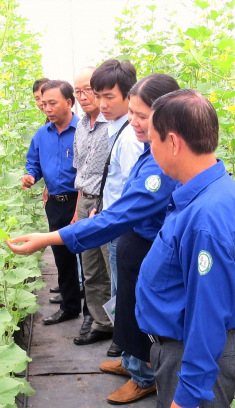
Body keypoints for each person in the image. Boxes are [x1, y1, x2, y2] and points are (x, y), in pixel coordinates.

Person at [7, 74, 180, 408]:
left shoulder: (162, 165)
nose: (132, 121)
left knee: (141, 312)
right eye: (132, 112)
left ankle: (144, 376)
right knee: (126, 305)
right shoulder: (147, 147)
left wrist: (47, 238)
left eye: (141, 115)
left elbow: (123, 214)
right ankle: (133, 361)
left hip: (146, 243)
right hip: (132, 237)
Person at [136, 89, 235, 408]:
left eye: (151, 138)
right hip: (181, 350)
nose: (148, 147)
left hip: (194, 354)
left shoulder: (208, 217)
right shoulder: (204, 192)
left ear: (173, 142)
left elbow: (208, 314)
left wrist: (188, 395)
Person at [21, 80, 81, 325]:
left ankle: (95, 316)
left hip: (79, 200)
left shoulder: (83, 131)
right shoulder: (41, 134)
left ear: (69, 102)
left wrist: (81, 207)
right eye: (43, 103)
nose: (46, 108)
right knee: (62, 257)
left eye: (52, 103)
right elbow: (33, 162)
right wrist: (31, 176)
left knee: (89, 260)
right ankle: (70, 307)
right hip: (55, 203)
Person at [89, 60, 144, 325]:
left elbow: (135, 192)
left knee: (123, 291)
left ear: (129, 95)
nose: (102, 104)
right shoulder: (118, 128)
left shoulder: (130, 137)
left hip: (122, 227)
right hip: (114, 220)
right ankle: (125, 350)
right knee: (118, 289)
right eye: (98, 96)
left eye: (109, 97)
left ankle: (130, 357)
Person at [69, 66, 114, 345]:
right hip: (85, 200)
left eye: (88, 89)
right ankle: (101, 321)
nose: (83, 96)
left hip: (107, 203)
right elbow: (80, 172)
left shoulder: (115, 127)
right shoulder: (81, 127)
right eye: (78, 91)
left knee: (113, 266)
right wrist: (77, 211)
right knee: (90, 267)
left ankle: (122, 327)